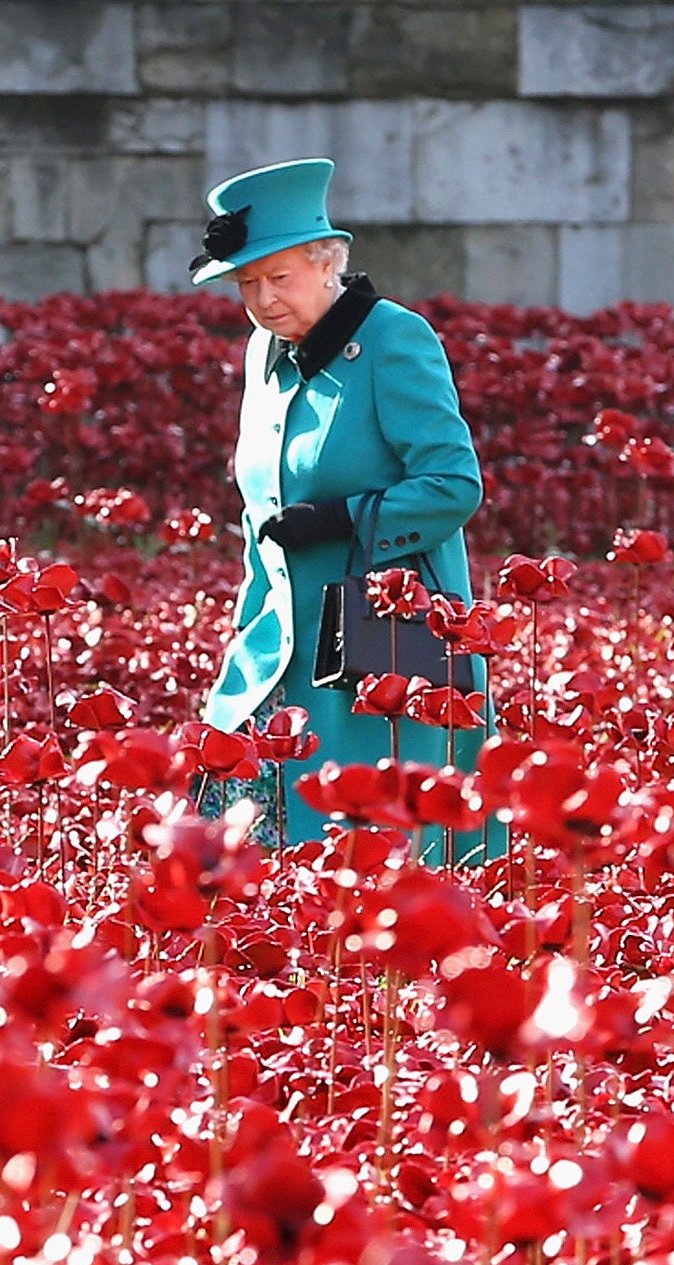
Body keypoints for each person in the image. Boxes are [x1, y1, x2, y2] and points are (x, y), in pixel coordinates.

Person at [191, 157, 487, 855]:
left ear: (329, 264)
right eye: (248, 283)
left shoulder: (394, 338)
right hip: (277, 652)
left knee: (379, 874)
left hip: (383, 656)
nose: (263, 300)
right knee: (240, 862)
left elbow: (454, 483)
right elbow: (259, 518)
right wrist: (243, 633)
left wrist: (347, 519)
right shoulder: (263, 355)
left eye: (280, 277)